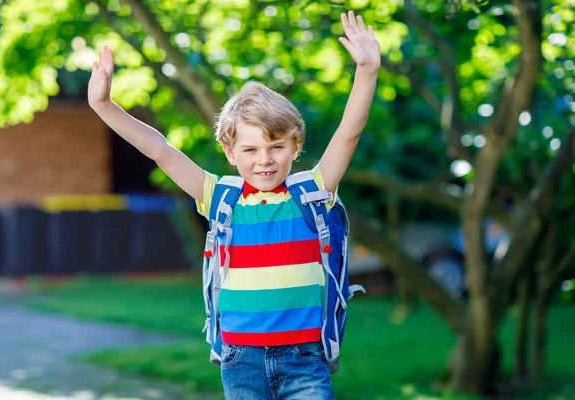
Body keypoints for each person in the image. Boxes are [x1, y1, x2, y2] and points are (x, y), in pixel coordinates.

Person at [88, 9, 380, 400]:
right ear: (229, 151)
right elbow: (160, 150)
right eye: (251, 149)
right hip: (240, 359)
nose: (265, 159)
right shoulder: (220, 197)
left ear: (296, 145)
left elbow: (349, 134)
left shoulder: (314, 189)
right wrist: (104, 105)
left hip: (304, 359)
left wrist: (367, 71)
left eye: (277, 147)